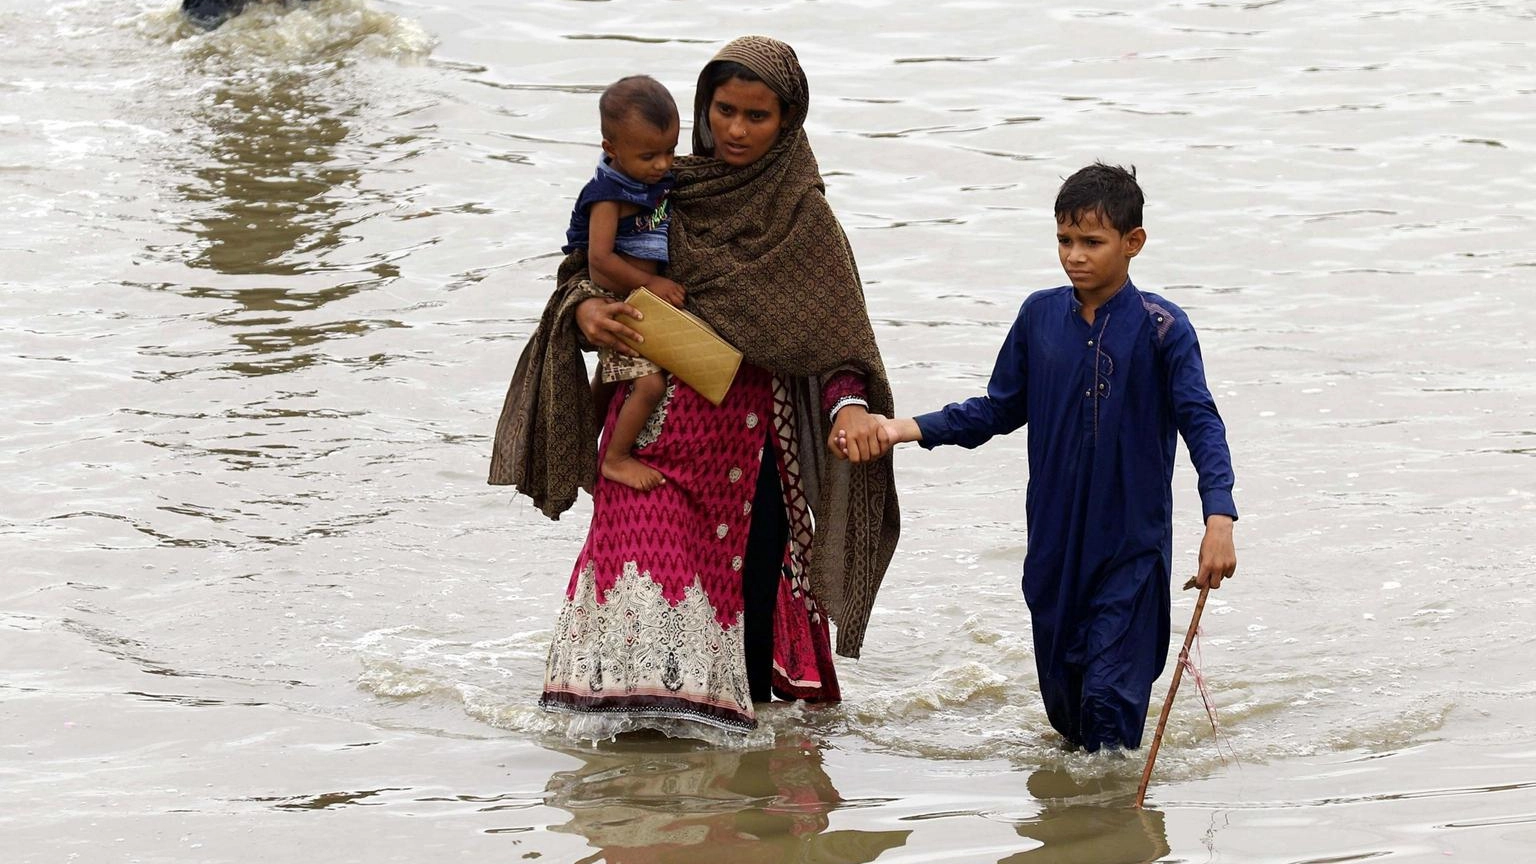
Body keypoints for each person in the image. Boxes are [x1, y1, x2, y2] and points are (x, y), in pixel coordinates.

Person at [488, 36, 900, 743]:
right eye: (725, 110)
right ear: (704, 109)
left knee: (737, 637)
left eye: (757, 115)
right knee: (636, 591)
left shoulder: (803, 218)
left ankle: (739, 805)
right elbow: (585, 272)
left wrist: (849, 405)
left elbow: (833, 338)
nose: (736, 129)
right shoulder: (654, 182)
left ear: (789, 120)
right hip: (644, 436)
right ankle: (626, 795)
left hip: (747, 458)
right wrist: (587, 312)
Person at [864, 163, 1237, 753]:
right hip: (1053, 552)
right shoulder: (1039, 317)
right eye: (1065, 240)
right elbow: (997, 409)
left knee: (1108, 714)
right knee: (1070, 722)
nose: (1074, 256)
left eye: (1092, 242)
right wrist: (905, 428)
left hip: (1130, 553)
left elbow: (1202, 425)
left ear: (1133, 243)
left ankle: (1113, 833)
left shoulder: (1163, 329)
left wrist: (1220, 518)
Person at [561, 75, 684, 493]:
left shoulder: (651, 181)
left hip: (636, 295)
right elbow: (598, 263)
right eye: (649, 155)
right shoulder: (608, 194)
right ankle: (614, 459)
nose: (663, 165)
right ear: (610, 149)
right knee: (648, 383)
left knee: (610, 379)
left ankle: (580, 448)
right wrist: (650, 283)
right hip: (614, 299)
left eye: (670, 150)